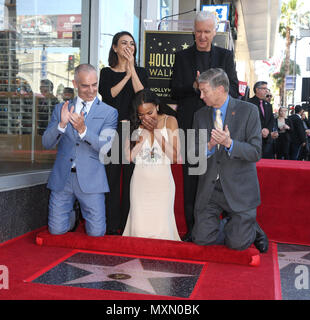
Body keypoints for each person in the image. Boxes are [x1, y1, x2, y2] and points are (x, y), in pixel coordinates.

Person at [171, 11, 239, 241]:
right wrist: (194, 85)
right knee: (192, 180)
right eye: (198, 31)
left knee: (223, 178)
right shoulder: (182, 57)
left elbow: (235, 90)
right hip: (191, 127)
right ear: (193, 31)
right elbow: (174, 90)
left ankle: (231, 228)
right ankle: (193, 230)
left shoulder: (226, 56)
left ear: (214, 32)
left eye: (207, 31)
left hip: (220, 128)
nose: (202, 36)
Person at [189, 68, 268, 253]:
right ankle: (239, 225)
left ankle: (251, 228)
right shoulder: (200, 115)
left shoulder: (249, 111)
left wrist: (230, 143)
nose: (201, 96)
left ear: (220, 89)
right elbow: (193, 154)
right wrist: (208, 146)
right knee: (200, 239)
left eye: (204, 91)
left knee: (237, 245)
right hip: (210, 189)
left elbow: (255, 152)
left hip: (239, 188)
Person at [42, 64, 118, 236]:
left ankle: (76, 214)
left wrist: (83, 130)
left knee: (97, 233)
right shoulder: (61, 109)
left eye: (94, 85)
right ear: (75, 84)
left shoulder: (109, 112)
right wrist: (61, 125)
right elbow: (46, 143)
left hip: (92, 179)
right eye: (85, 85)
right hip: (63, 178)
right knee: (56, 231)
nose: (91, 90)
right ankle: (73, 216)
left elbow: (105, 147)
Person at [99, 31, 148, 235]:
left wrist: (132, 70)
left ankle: (127, 225)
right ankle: (111, 225)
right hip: (111, 130)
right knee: (112, 178)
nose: (129, 47)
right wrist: (126, 74)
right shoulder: (106, 73)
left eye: (132, 43)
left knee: (131, 178)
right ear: (115, 48)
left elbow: (143, 96)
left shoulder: (142, 72)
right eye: (124, 43)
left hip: (134, 130)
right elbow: (109, 96)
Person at [122, 89, 181, 241]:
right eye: (141, 114)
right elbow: (128, 157)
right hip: (140, 185)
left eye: (150, 112)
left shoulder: (170, 121)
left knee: (162, 230)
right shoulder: (134, 124)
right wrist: (142, 136)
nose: (146, 117)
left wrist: (156, 132)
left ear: (157, 107)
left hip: (163, 185)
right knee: (139, 229)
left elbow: (174, 157)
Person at [248, 81, 276, 159]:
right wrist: (259, 130)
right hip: (253, 140)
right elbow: (248, 120)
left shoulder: (268, 105)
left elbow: (271, 120)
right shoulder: (248, 103)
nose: (266, 91)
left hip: (266, 142)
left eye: (267, 89)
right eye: (264, 88)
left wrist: (267, 130)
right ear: (257, 90)